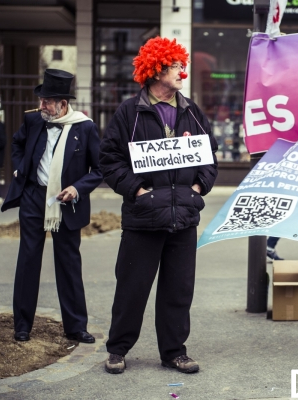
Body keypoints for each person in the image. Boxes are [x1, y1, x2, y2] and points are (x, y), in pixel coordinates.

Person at [100, 37, 218, 375]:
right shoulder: (129, 112)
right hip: (142, 219)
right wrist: (136, 190)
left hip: (184, 217)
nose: (183, 70)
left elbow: (209, 158)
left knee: (178, 291)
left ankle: (174, 352)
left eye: (182, 64)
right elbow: (109, 159)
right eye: (175, 65)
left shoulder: (192, 112)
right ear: (155, 70)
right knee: (131, 289)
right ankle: (118, 349)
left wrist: (198, 189)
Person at [0, 69, 102, 343]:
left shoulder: (86, 127)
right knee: (28, 259)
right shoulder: (34, 120)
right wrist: (21, 170)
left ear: (63, 103)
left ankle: (76, 327)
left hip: (67, 203)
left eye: (47, 101)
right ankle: (22, 325)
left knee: (68, 263)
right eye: (41, 99)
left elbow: (100, 168)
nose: (41, 105)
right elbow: (17, 144)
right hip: (34, 197)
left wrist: (77, 188)